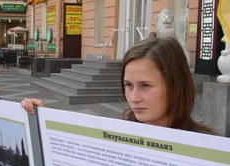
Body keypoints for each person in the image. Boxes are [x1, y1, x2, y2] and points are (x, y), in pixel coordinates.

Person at [21, 37, 214, 134]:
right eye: (128, 85)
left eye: (145, 85)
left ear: (175, 85)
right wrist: (41, 119)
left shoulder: (210, 149)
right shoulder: (118, 135)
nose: (134, 97)